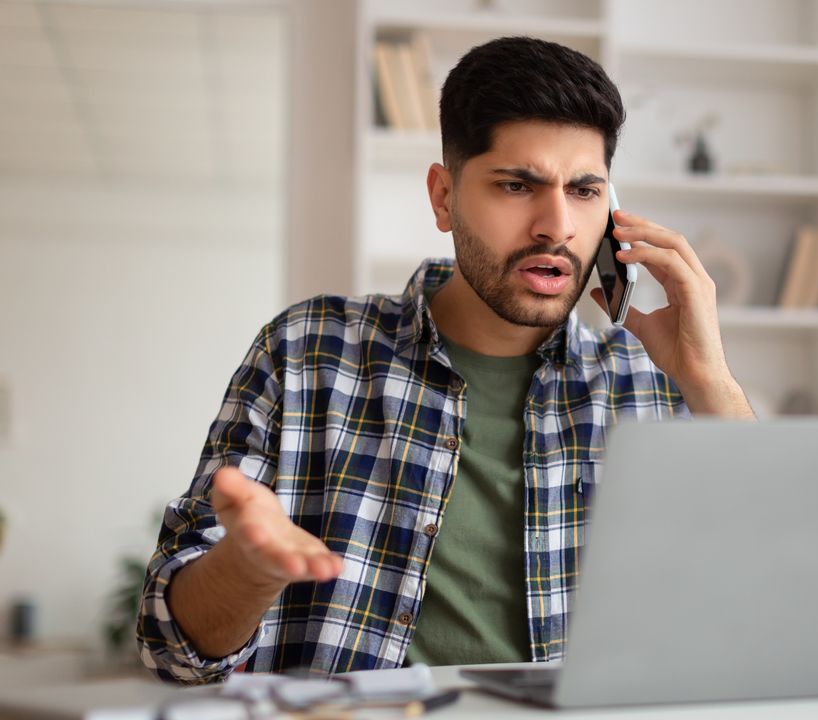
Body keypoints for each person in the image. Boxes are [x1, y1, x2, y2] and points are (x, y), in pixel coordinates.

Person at [136, 36, 754, 684]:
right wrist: (247, 570)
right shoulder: (307, 352)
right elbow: (169, 650)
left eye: (584, 190)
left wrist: (713, 385)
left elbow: (765, 611)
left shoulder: (644, 385)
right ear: (443, 196)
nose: (556, 224)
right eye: (519, 185)